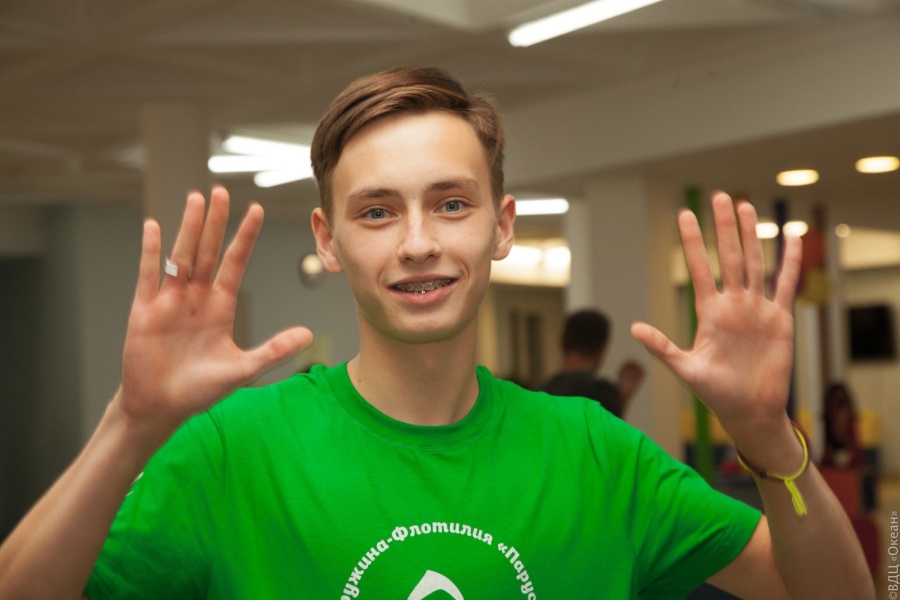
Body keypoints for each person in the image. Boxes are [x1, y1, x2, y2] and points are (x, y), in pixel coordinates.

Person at [0, 67, 873, 599]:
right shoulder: (234, 451)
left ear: (501, 226)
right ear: (328, 241)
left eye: (451, 203)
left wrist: (768, 436)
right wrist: (130, 425)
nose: (418, 241)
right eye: (377, 211)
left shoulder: (596, 452)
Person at [542, 308, 645, 418]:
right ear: (603, 348)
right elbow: (609, 428)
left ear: (561, 340)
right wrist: (622, 398)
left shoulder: (545, 390)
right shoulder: (601, 392)